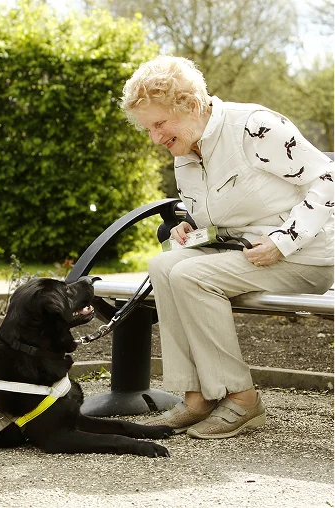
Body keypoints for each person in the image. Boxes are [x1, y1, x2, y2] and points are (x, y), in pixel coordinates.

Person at [120, 55, 335, 439]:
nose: (154, 137)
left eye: (158, 124)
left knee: (191, 276)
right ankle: (197, 395)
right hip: (243, 251)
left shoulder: (253, 126)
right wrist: (188, 225)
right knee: (163, 266)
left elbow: (328, 178)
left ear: (189, 104)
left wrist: (284, 242)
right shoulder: (185, 148)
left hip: (309, 255)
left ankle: (242, 399)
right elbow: (218, 211)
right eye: (147, 129)